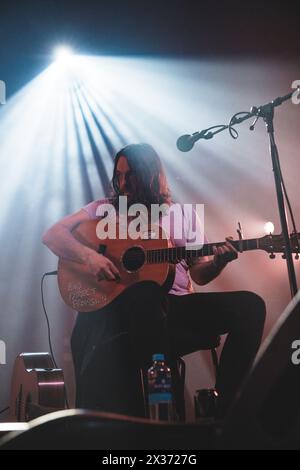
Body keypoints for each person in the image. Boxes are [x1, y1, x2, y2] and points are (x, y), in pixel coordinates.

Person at [42, 143, 266, 419]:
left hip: (175, 308)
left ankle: (225, 408)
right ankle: (161, 414)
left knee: (251, 306)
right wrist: (90, 258)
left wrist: (218, 262)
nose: (122, 183)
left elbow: (198, 275)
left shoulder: (182, 215)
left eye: (130, 175)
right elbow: (53, 235)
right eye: (118, 176)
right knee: (146, 292)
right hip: (127, 311)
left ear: (150, 175)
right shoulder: (103, 210)